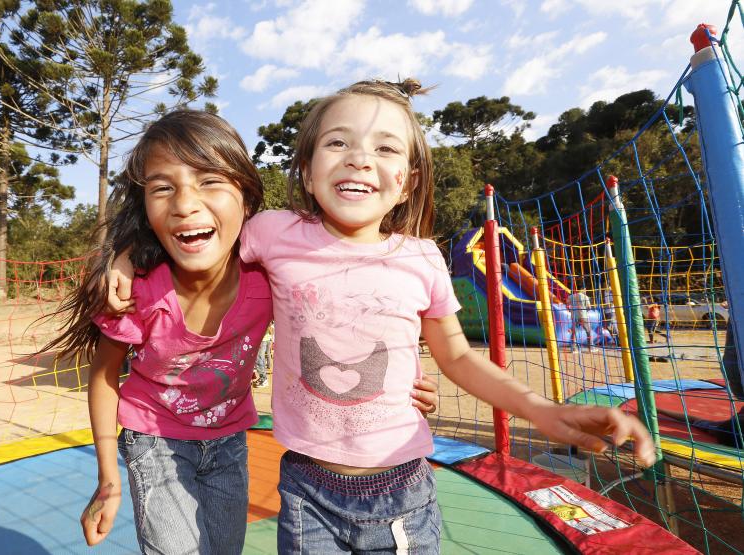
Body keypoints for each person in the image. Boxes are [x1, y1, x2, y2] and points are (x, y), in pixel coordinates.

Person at [108, 79, 655, 554]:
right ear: (306, 168)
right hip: (305, 487)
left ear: (408, 181)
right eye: (337, 142)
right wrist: (128, 256)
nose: (359, 157)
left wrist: (540, 409)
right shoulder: (273, 233)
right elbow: (198, 231)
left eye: (385, 148)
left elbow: (458, 357)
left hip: (401, 485)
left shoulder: (421, 259)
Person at [45, 109, 440, 554]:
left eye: (210, 181)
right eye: (163, 188)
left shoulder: (267, 273)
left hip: (229, 440)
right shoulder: (138, 289)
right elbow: (103, 377)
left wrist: (398, 384)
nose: (184, 204)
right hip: (154, 439)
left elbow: (344, 307)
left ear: (247, 201)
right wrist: (107, 478)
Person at [659, 405, 744, 448]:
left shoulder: (718, 429)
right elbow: (693, 419)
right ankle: (658, 409)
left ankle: (658, 409)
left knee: (697, 422)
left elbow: (693, 419)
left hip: (726, 430)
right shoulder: (719, 429)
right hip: (727, 430)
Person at [253, 322, 273, 388]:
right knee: (262, 359)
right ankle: (263, 378)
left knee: (258, 360)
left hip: (263, 339)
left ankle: (263, 379)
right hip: (267, 338)